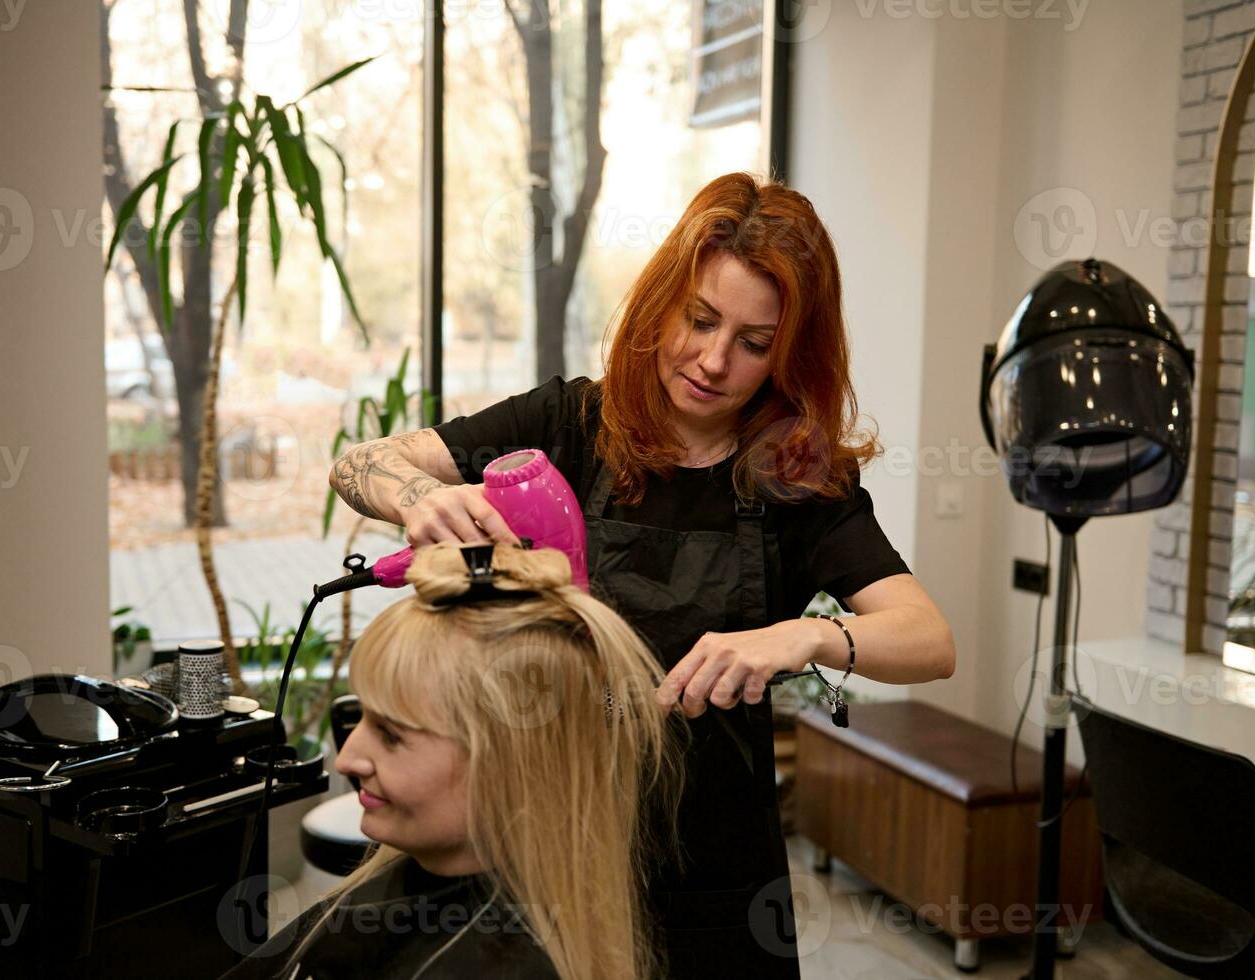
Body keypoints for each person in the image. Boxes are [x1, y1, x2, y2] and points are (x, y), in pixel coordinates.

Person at [328, 171, 957, 977]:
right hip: (548, 851)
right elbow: (360, 461)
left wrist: (800, 637)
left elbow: (927, 639)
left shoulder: (796, 480)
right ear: (663, 302)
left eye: (753, 343)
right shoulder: (570, 424)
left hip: (714, 867)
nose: (712, 359)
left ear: (785, 356)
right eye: (698, 320)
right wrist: (417, 496)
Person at [219, 541, 685, 980]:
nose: (349, 759)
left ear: (510, 762)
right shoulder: (396, 891)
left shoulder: (504, 963)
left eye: (391, 734)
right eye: (361, 716)